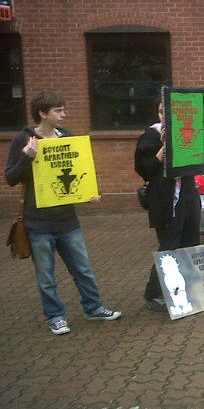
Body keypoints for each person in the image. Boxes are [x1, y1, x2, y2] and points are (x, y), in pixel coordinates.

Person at [4, 91, 121, 335]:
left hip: (67, 220)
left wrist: (90, 193)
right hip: (38, 222)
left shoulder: (66, 137)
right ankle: (55, 316)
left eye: (63, 109)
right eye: (58, 111)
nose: (64, 115)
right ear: (42, 113)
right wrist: (27, 156)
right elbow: (11, 178)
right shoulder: (23, 139)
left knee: (83, 269)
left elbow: (80, 169)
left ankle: (93, 308)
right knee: (46, 277)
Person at [135, 97, 201, 312]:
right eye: (162, 111)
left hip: (187, 196)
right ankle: (153, 294)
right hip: (165, 200)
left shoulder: (186, 132)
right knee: (169, 246)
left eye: (169, 112)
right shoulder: (151, 136)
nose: (165, 116)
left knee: (190, 242)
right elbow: (145, 170)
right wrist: (164, 147)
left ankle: (185, 290)